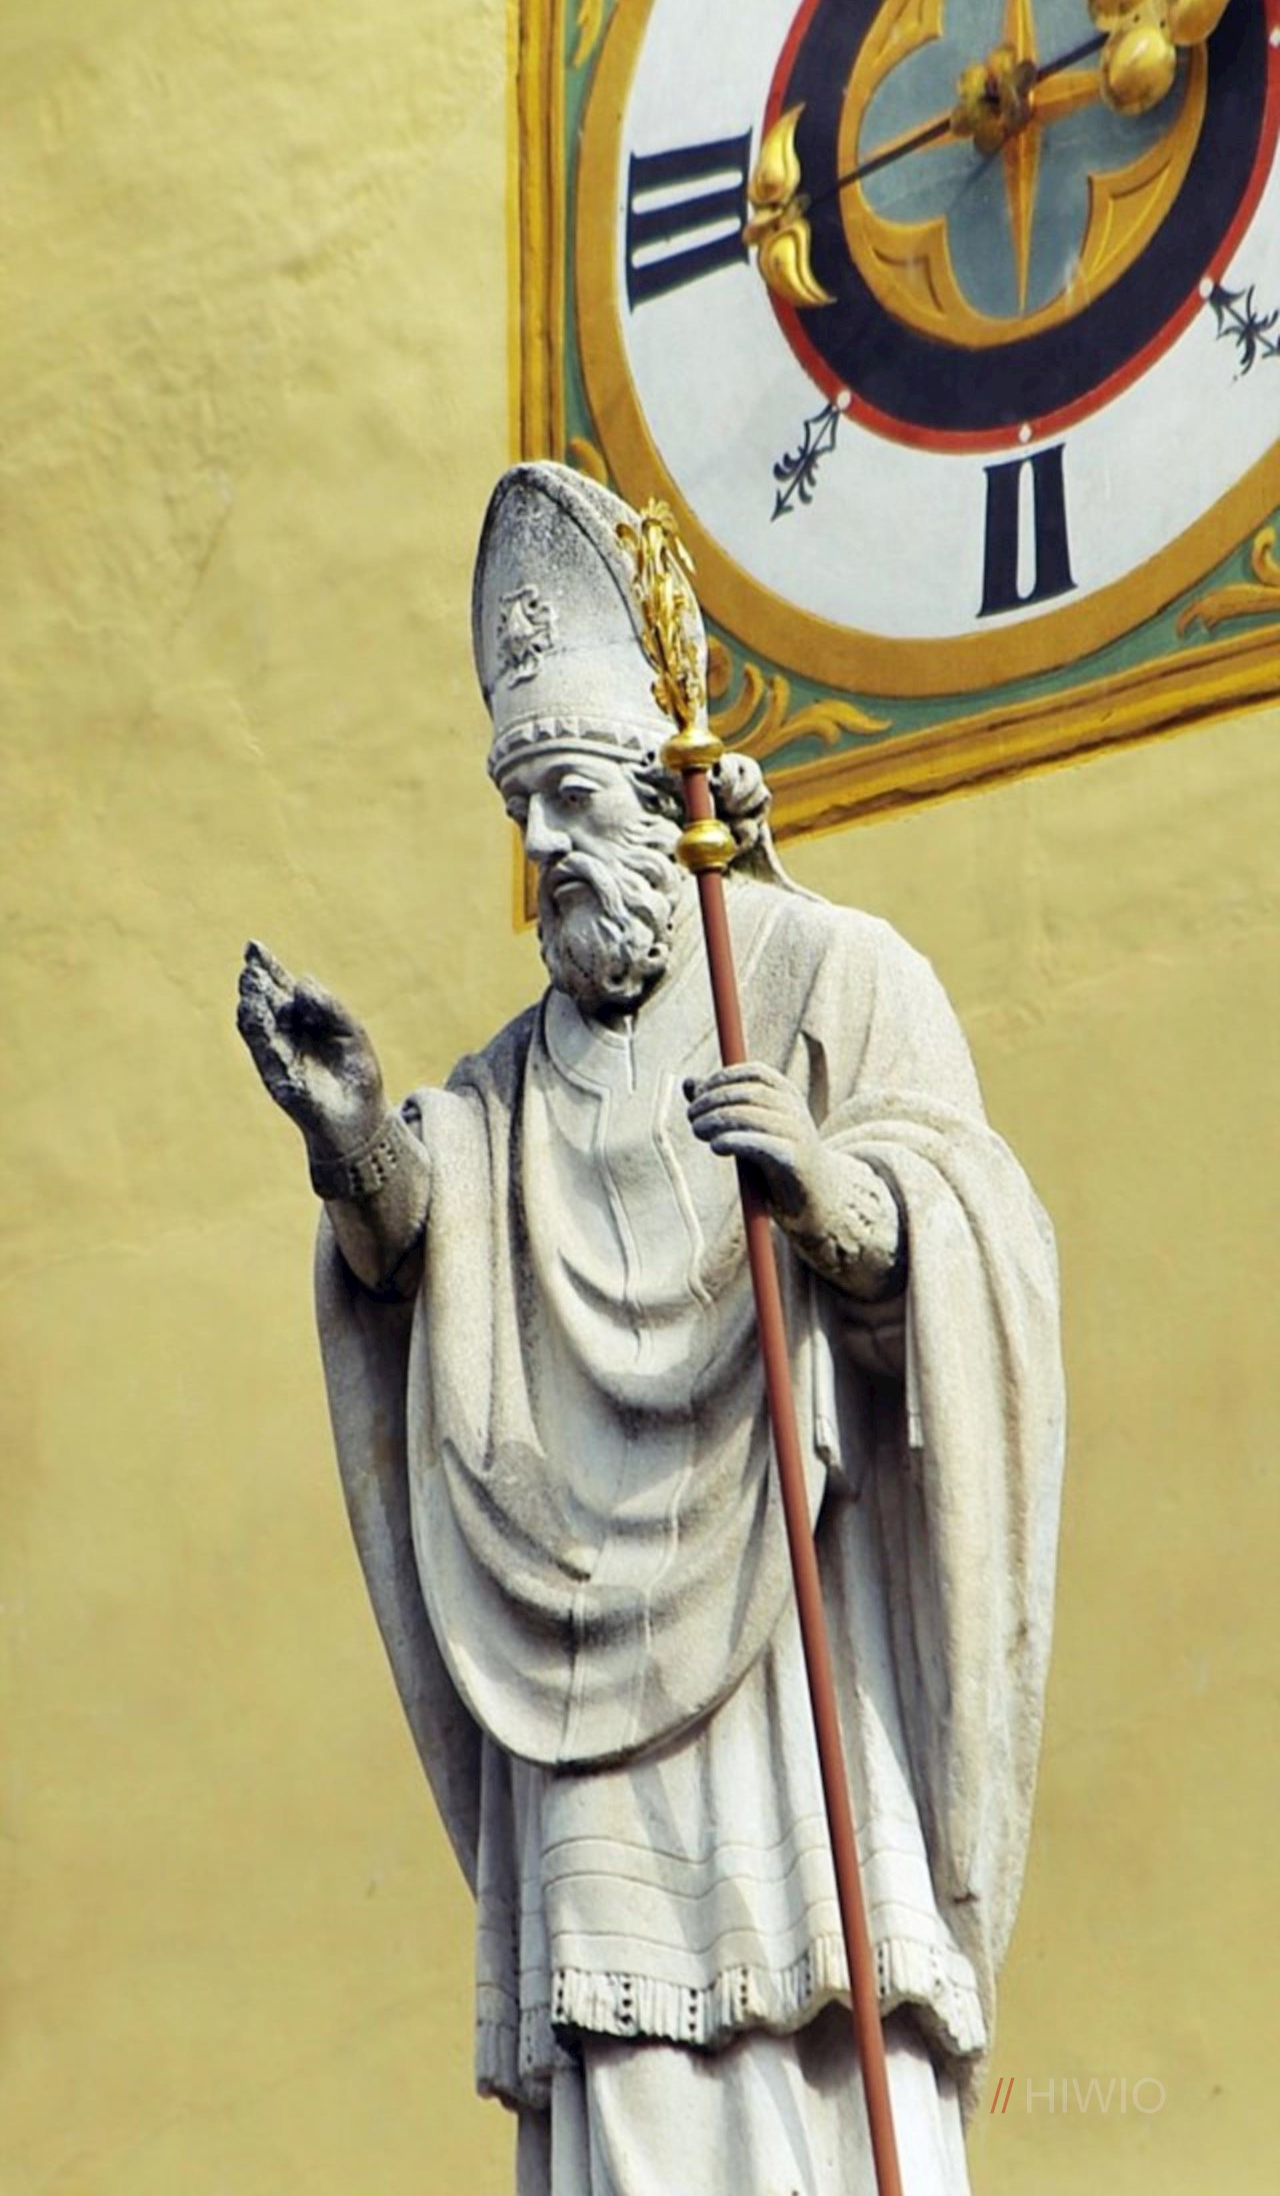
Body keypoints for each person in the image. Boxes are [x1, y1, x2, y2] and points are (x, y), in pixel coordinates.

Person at [237, 462, 1065, 2196]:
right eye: (518, 810)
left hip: (797, 1674)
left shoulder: (828, 978)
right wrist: (358, 1145)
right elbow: (423, 1249)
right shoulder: (505, 1087)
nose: (540, 849)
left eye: (563, 798)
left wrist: (839, 1201)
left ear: (656, 789)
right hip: (581, 1713)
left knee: (816, 2070)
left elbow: (981, 1248)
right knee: (630, 2106)